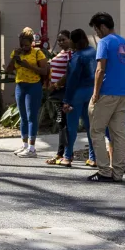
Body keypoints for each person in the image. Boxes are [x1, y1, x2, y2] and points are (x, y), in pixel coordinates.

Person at [87, 12, 125, 183]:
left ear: (103, 27)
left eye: (97, 29)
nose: (97, 33)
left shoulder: (105, 43)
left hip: (106, 94)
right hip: (124, 94)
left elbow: (100, 69)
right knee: (119, 134)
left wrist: (95, 93)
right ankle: (118, 172)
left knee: (97, 131)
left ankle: (104, 171)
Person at [58, 29, 96, 168]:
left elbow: (72, 79)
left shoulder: (77, 56)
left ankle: (67, 157)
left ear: (73, 41)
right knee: (90, 126)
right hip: (92, 91)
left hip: (77, 94)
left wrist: (67, 100)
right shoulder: (93, 51)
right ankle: (93, 157)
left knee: (71, 127)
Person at [8, 30, 48, 158]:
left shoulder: (37, 53)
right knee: (23, 116)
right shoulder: (16, 53)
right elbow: (8, 70)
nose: (24, 48)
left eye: (26, 45)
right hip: (20, 86)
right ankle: (24, 145)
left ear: (31, 43)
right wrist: (14, 58)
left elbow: (44, 71)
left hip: (33, 86)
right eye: (22, 45)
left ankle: (32, 148)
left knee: (32, 116)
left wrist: (28, 65)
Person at [45, 31, 74, 165]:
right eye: (59, 40)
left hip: (64, 92)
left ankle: (63, 153)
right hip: (56, 93)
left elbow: (70, 73)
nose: (61, 42)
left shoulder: (70, 54)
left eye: (64, 40)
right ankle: (62, 153)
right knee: (61, 122)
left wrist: (56, 84)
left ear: (70, 39)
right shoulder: (60, 53)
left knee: (64, 123)